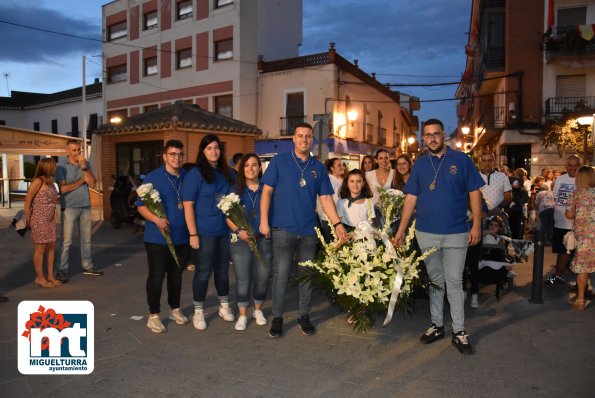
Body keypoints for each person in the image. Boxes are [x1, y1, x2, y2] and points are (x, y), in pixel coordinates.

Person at [394, 118, 484, 355]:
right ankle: (436, 325)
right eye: (428, 135)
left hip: (456, 232)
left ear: (444, 135)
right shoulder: (420, 165)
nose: (432, 138)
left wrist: (477, 224)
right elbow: (410, 199)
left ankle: (459, 331)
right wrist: (402, 230)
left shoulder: (461, 160)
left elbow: (474, 192)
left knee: (454, 282)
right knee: (435, 282)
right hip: (426, 233)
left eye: (436, 134)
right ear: (423, 138)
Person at [260, 122, 349, 338]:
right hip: (282, 229)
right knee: (281, 275)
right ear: (293, 139)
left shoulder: (318, 167)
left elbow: (326, 198)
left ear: (312, 139)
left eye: (308, 136)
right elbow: (266, 192)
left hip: (309, 230)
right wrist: (264, 221)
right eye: (300, 136)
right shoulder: (279, 161)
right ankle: (278, 317)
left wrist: (337, 224)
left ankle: (303, 314)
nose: (304, 139)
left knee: (306, 275)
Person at [136, 140, 191, 333]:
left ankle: (175, 309)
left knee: (176, 276)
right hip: (157, 238)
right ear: (165, 156)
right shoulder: (154, 177)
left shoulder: (187, 177)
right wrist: (156, 220)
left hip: (182, 238)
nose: (177, 158)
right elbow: (141, 205)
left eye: (180, 154)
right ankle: (154, 315)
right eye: (173, 154)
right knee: (157, 276)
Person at [183, 134, 234, 330]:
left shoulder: (227, 173)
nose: (214, 151)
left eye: (217, 148)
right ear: (203, 152)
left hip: (224, 231)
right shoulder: (195, 174)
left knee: (222, 271)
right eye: (209, 148)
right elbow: (188, 206)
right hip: (204, 232)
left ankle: (224, 306)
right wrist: (193, 234)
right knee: (203, 272)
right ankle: (198, 312)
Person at [227, 153, 272, 331]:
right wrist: (239, 231)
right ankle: (243, 314)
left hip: (263, 240)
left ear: (260, 168)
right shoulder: (234, 190)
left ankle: (258, 310)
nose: (251, 169)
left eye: (254, 165)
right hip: (240, 241)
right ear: (241, 168)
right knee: (243, 279)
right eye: (246, 165)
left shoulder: (268, 189)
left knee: (262, 277)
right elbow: (228, 217)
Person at [55, 140, 102, 283]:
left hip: (85, 206)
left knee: (86, 239)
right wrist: (82, 181)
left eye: (79, 150)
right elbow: (63, 189)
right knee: (67, 241)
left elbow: (92, 183)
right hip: (69, 207)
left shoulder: (85, 164)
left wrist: (84, 169)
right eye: (74, 150)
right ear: (68, 151)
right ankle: (62, 270)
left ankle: (87, 266)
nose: (77, 153)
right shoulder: (61, 166)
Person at [544, 155, 581, 285]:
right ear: (566, 166)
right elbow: (555, 198)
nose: (572, 168)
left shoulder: (583, 180)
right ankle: (559, 275)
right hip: (560, 220)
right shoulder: (560, 179)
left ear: (579, 166)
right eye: (570, 165)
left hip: (578, 223)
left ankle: (579, 283)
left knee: (578, 252)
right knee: (562, 250)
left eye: (576, 165)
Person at [24, 158, 60, 288]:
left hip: (50, 219)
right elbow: (27, 202)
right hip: (39, 219)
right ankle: (39, 278)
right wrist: (28, 221)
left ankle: (50, 276)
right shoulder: (37, 181)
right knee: (40, 249)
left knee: (51, 247)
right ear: (48, 167)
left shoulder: (51, 182)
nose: (56, 168)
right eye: (54, 166)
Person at [565, 166, 595, 310]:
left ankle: (581, 301)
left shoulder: (575, 194)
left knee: (583, 268)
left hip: (584, 238)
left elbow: (569, 215)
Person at [317, 158, 344, 241]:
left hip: (339, 218)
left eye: (342, 165)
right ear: (332, 168)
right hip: (329, 219)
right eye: (339, 165)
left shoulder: (340, 180)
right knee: (333, 244)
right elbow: (325, 200)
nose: (342, 167)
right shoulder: (329, 180)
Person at [533, 177, 555, 243]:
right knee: (550, 224)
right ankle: (550, 238)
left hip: (543, 210)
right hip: (552, 209)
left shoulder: (539, 193)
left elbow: (536, 203)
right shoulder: (552, 193)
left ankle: (540, 238)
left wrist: (537, 208)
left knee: (543, 224)